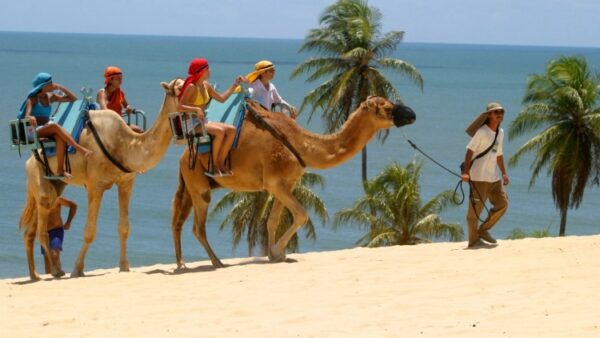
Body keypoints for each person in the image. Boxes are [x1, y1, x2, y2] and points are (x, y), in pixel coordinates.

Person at [19, 72, 93, 179]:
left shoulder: (50, 97)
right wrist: (30, 117)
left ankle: (60, 171)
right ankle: (79, 149)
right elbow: (27, 115)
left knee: (59, 136)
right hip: (31, 132)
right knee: (55, 126)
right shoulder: (33, 98)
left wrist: (61, 88)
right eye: (51, 83)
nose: (53, 84)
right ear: (43, 86)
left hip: (45, 129)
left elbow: (74, 100)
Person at [177, 58, 243, 176]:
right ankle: (211, 166)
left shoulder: (206, 85)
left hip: (203, 122)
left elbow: (221, 99)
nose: (210, 71)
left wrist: (235, 85)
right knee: (220, 131)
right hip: (191, 124)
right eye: (208, 68)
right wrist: (196, 109)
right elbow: (180, 107)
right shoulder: (191, 87)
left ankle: (220, 163)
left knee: (232, 130)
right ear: (201, 71)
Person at [461, 102, 510, 248]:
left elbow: (499, 154)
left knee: (502, 204)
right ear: (488, 115)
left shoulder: (500, 132)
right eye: (496, 112)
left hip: (494, 178)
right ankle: (473, 241)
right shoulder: (482, 132)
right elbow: (470, 151)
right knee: (474, 211)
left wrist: (504, 173)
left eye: (501, 112)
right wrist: (466, 172)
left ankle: (483, 230)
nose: (499, 114)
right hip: (478, 177)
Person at [97, 66, 143, 133]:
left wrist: (128, 107)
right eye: (118, 79)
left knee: (139, 131)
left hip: (118, 124)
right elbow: (105, 110)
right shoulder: (102, 93)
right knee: (136, 131)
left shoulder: (119, 92)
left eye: (121, 78)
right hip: (105, 126)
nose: (121, 81)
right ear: (110, 80)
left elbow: (126, 105)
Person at [41, 196, 77, 276]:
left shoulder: (57, 199)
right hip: (43, 232)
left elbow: (74, 205)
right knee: (47, 261)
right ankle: (54, 277)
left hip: (56, 229)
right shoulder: (38, 199)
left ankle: (56, 270)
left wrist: (68, 222)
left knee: (54, 253)